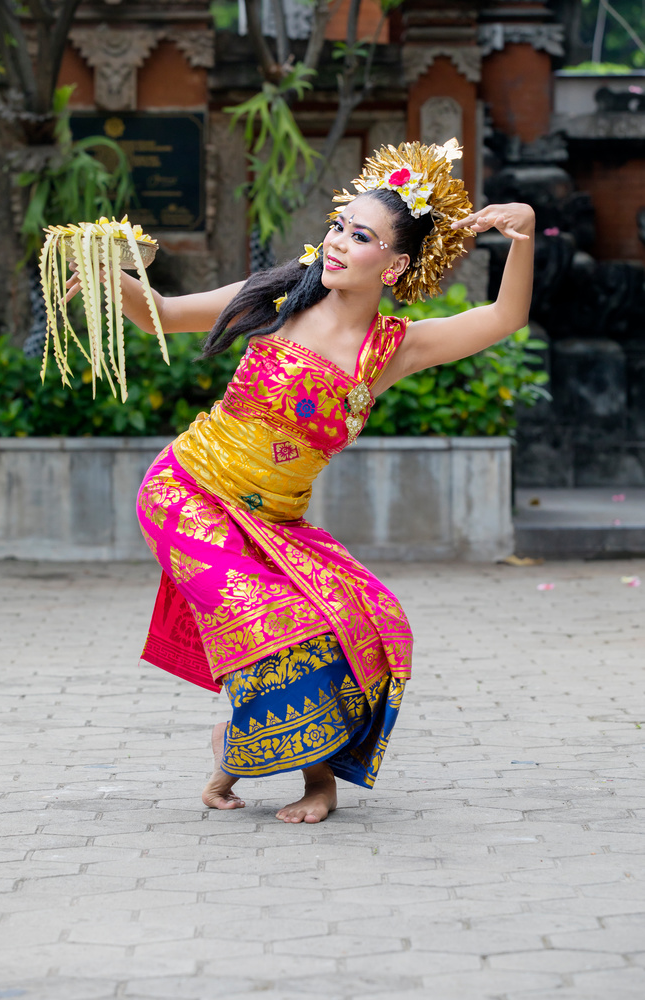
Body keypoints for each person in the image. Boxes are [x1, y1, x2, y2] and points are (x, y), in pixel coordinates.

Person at [67, 140, 534, 824]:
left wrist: (520, 232)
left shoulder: (391, 349)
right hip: (187, 493)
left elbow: (503, 318)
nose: (339, 242)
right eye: (340, 225)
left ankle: (263, 764)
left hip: (278, 521)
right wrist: (113, 279)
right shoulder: (281, 299)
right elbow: (164, 314)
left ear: (396, 264)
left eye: (361, 236)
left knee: (365, 626)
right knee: (279, 626)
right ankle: (282, 769)